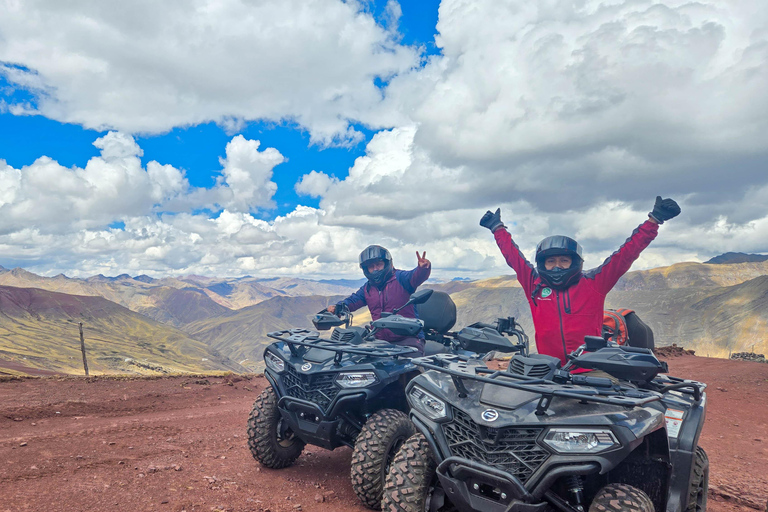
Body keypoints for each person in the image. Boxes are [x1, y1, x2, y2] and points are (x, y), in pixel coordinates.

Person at [480, 196, 681, 365]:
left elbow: (625, 255)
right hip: (548, 370)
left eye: (564, 260)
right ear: (543, 263)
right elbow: (514, 257)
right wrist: (497, 227)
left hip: (590, 368)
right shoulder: (535, 285)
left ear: (574, 262)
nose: (557, 266)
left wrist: (654, 221)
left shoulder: (594, 284)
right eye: (551, 261)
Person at [328, 245, 432, 355]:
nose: (375, 269)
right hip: (379, 340)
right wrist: (338, 307)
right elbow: (354, 300)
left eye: (379, 264)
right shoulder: (367, 288)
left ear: (387, 264)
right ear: (365, 269)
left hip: (408, 339)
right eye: (371, 266)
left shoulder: (401, 278)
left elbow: (415, 276)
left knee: (409, 368)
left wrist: (423, 269)